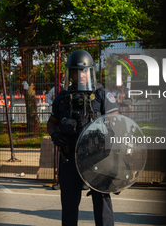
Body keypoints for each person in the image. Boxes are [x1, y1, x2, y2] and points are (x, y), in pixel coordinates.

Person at [47, 49, 119, 226]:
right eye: (76, 71)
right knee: (69, 205)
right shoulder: (62, 98)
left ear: (90, 72)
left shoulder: (102, 95)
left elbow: (116, 122)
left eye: (84, 71)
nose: (80, 75)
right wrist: (55, 134)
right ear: (70, 73)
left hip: (97, 158)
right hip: (69, 158)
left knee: (102, 202)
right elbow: (51, 122)